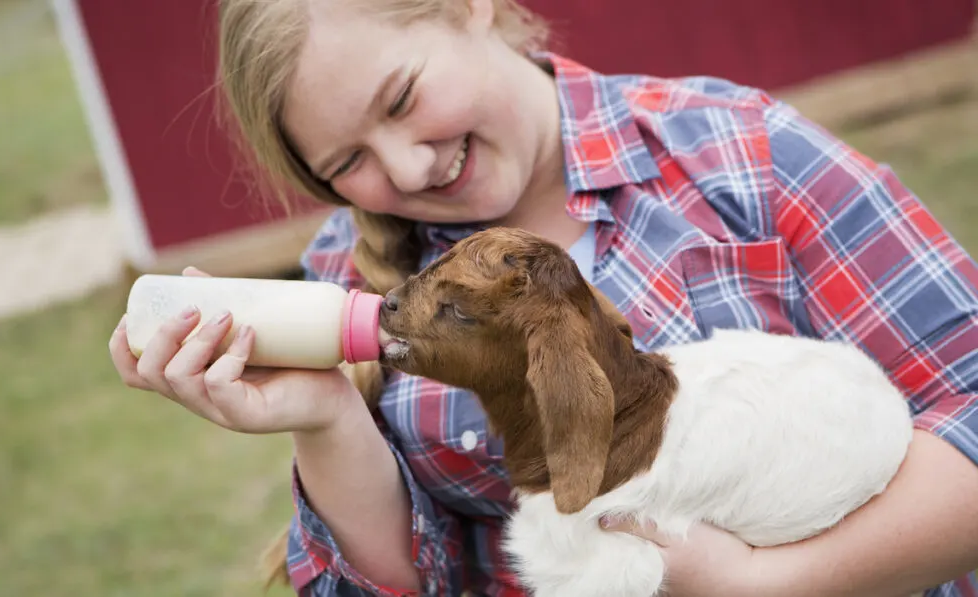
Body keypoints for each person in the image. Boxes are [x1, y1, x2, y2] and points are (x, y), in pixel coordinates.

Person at [107, 0, 978, 594]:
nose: (408, 167)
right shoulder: (348, 277)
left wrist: (773, 584)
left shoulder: (736, 155)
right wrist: (325, 417)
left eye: (404, 99)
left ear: (472, 7)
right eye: (349, 164)